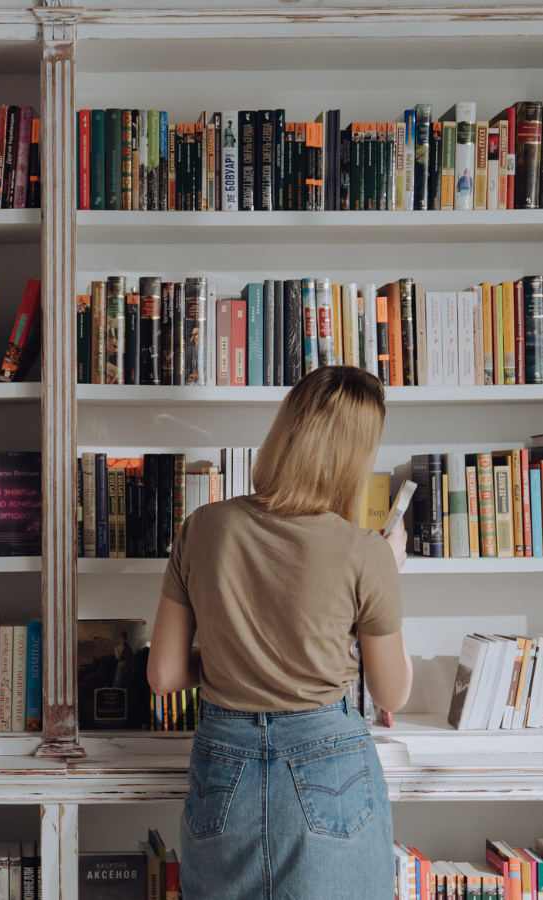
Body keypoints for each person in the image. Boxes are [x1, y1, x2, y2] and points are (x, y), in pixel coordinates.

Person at [148, 365, 411, 900]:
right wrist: (388, 570)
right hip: (329, 760)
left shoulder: (202, 527)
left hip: (222, 764)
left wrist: (233, 656)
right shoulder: (366, 552)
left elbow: (165, 675)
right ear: (354, 457)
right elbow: (393, 693)